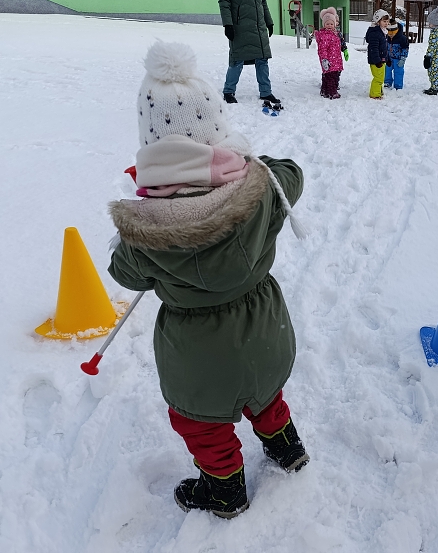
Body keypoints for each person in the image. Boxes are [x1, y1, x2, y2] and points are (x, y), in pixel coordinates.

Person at [110, 41, 309, 520]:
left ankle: (224, 488)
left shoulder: (146, 233)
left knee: (203, 425)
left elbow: (124, 273)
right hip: (265, 330)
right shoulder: (261, 194)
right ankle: (285, 445)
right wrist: (243, 162)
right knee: (266, 395)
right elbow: (291, 174)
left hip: (197, 354)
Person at [217, 0, 281, 105]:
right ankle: (228, 91)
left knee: (262, 59)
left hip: (258, 25)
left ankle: (266, 92)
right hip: (239, 25)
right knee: (237, 60)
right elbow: (224, 0)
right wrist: (228, 24)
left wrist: (269, 21)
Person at [315, 7, 344, 99]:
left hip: (336, 60)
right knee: (330, 77)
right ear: (324, 24)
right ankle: (332, 92)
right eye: (327, 24)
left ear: (335, 24)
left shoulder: (335, 34)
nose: (329, 25)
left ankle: (324, 90)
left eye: (331, 24)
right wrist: (324, 59)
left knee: (329, 76)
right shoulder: (325, 35)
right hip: (329, 60)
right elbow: (322, 49)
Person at [366, 9, 390, 99]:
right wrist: (377, 61)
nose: (386, 23)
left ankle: (379, 91)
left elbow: (384, 48)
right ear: (378, 21)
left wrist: (387, 59)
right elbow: (374, 48)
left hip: (382, 59)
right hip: (376, 60)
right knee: (378, 78)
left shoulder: (383, 32)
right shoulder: (375, 33)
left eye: (387, 21)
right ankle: (375, 94)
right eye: (384, 21)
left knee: (381, 77)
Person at [384, 18, 409, 90]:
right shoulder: (387, 37)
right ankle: (387, 82)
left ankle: (398, 85)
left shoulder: (402, 38)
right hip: (389, 58)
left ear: (396, 31)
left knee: (398, 72)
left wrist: (403, 58)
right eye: (389, 33)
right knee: (387, 70)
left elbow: (405, 48)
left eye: (392, 34)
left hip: (398, 59)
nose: (391, 35)